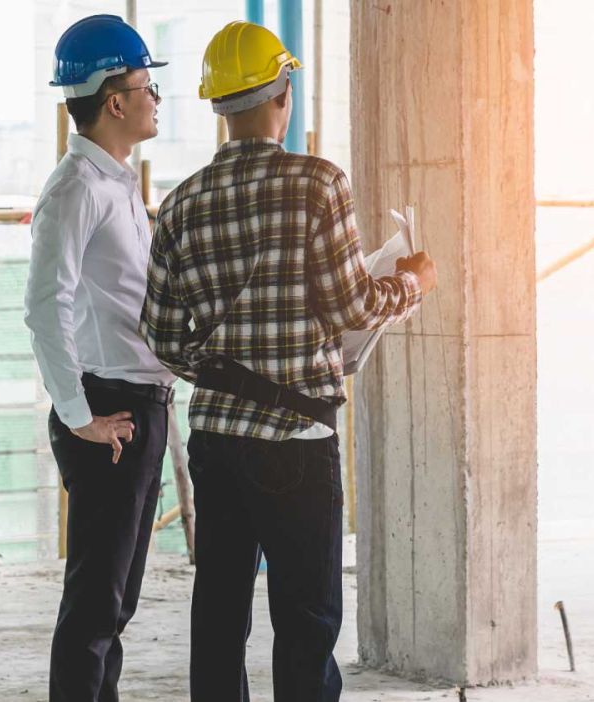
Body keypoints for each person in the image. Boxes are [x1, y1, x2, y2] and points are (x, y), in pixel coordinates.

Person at [141, 20, 436, 701]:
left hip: (215, 438)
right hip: (296, 443)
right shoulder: (317, 183)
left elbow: (158, 333)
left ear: (219, 108)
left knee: (217, 613)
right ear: (284, 94)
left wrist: (222, 367)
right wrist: (414, 283)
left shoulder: (180, 203)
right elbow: (350, 305)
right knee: (305, 620)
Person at [22, 14, 173, 701]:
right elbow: (44, 306)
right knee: (93, 611)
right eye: (147, 85)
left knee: (115, 609)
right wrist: (78, 414)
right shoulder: (76, 188)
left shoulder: (118, 184)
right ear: (115, 100)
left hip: (139, 407)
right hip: (107, 410)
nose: (155, 99)